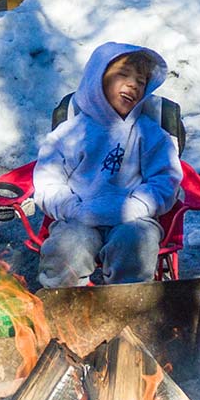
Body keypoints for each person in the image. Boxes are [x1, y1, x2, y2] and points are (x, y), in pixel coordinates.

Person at [33, 42, 183, 288]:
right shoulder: (70, 132)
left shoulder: (150, 133)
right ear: (98, 78)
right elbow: (48, 180)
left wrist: (138, 206)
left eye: (141, 81)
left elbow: (165, 179)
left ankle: (129, 310)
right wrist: (72, 208)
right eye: (123, 74)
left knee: (138, 242)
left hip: (133, 218)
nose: (133, 84)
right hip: (78, 217)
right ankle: (63, 309)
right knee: (67, 248)